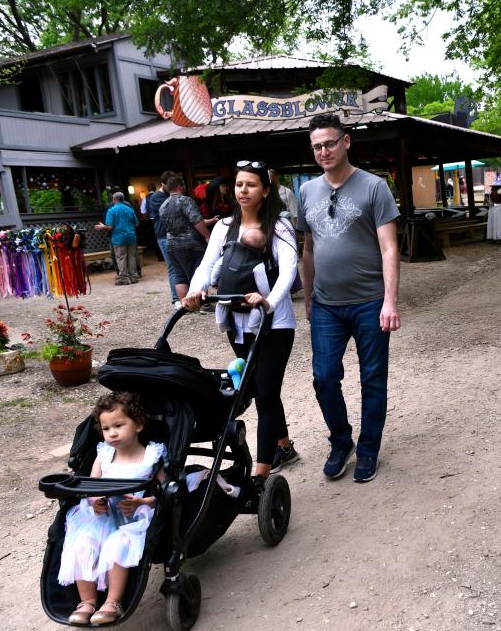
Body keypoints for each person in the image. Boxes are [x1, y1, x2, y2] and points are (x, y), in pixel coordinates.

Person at [297, 113, 401, 483]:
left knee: (373, 379)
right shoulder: (307, 191)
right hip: (326, 304)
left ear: (346, 142)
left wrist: (390, 300)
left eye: (328, 143)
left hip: (371, 301)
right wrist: (307, 296)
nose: (323, 151)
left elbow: (390, 249)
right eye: (316, 147)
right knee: (324, 377)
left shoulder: (375, 187)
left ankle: (368, 449)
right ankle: (341, 442)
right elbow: (307, 248)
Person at [184, 161, 299, 481]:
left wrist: (269, 301)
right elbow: (207, 266)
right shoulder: (224, 227)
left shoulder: (278, 227)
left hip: (274, 324)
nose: (243, 190)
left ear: (265, 190)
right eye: (239, 185)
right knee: (262, 386)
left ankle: (261, 474)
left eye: (251, 184)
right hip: (237, 324)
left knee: (264, 391)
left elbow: (289, 270)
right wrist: (195, 291)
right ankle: (284, 445)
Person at [59, 392, 166, 625]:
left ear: (138, 424)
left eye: (119, 425)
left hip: (133, 517)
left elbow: (164, 493)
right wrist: (94, 501)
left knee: (118, 545)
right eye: (107, 429)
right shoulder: (104, 455)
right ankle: (86, 601)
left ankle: (112, 601)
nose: (112, 433)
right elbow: (91, 488)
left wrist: (141, 502)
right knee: (83, 543)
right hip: (102, 516)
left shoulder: (151, 456)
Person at [160, 176, 210, 301]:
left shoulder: (163, 205)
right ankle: (202, 303)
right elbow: (196, 220)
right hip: (191, 244)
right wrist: (207, 235)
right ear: (180, 186)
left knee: (179, 274)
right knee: (197, 272)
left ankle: (185, 304)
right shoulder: (185, 201)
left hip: (171, 244)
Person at [145, 171, 181, 307]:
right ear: (163, 184)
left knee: (180, 265)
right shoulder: (156, 197)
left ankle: (184, 295)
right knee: (173, 267)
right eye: (169, 184)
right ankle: (175, 298)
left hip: (175, 234)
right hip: (164, 235)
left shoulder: (167, 195)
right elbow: (170, 212)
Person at [95, 191, 139, 286]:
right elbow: (136, 223)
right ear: (123, 199)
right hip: (131, 236)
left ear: (114, 199)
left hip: (118, 238)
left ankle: (123, 278)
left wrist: (103, 227)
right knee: (132, 257)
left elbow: (110, 227)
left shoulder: (111, 211)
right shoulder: (130, 209)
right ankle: (134, 277)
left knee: (121, 258)